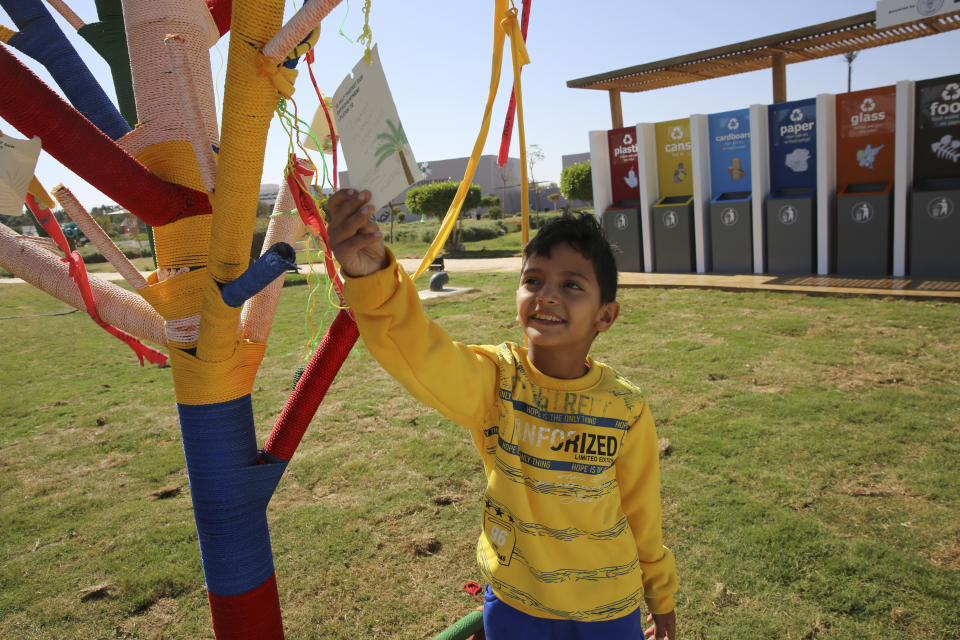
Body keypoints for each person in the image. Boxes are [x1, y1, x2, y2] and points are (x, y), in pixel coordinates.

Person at [326, 189, 678, 640]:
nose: (546, 296)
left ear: (605, 315)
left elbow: (641, 511)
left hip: (608, 609)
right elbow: (422, 355)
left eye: (571, 285)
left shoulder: (626, 407)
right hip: (516, 603)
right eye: (533, 280)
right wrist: (370, 273)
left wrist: (660, 593)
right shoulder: (496, 381)